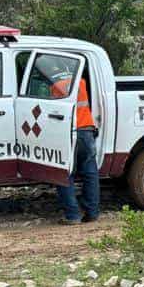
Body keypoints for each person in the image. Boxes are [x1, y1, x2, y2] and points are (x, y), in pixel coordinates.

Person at [52, 70, 101, 225]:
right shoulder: (82, 82)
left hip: (69, 132)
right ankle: (92, 213)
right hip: (87, 130)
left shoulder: (55, 85)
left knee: (64, 172)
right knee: (90, 173)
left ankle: (73, 215)